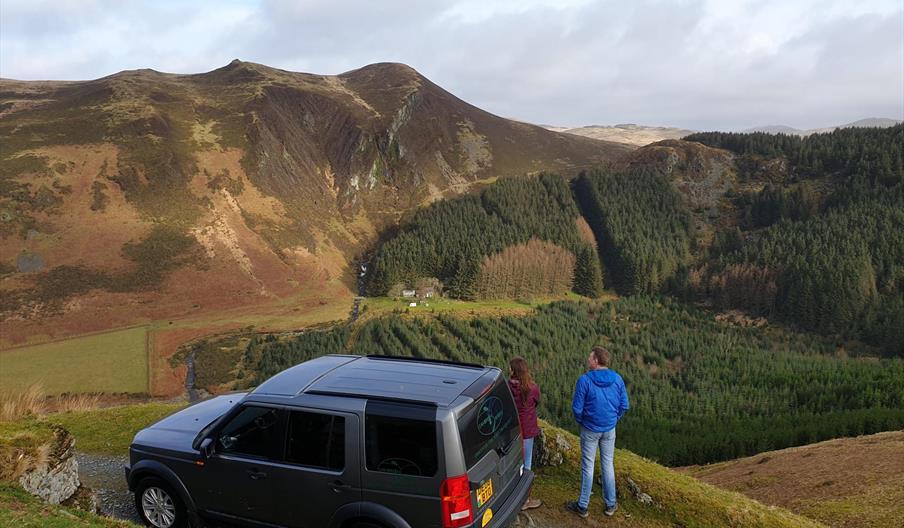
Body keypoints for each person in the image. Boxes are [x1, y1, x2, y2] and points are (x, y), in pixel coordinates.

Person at [566, 346, 629, 518]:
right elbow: (624, 405)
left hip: (590, 429)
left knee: (588, 466)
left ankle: (583, 506)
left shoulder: (584, 380)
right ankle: (610, 504)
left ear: (596, 361)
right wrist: (613, 420)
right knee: (608, 465)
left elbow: (577, 408)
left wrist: (583, 421)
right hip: (609, 429)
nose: (588, 359)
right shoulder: (617, 379)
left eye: (590, 357)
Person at [509, 356, 542, 510]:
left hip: (512, 429)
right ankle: (525, 500)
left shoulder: (507, 387)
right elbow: (536, 402)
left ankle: (511, 495)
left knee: (513, 463)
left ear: (513, 371)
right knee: (526, 465)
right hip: (527, 430)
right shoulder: (532, 388)